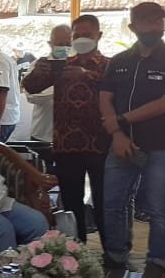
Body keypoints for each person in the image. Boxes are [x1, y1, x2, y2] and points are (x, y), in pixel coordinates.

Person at [99, 2, 165, 278]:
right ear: (133, 27)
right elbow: (105, 97)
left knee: (158, 207)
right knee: (113, 203)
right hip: (122, 144)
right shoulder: (119, 61)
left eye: (158, 21)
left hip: (162, 146)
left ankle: (156, 263)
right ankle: (116, 257)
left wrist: (120, 120)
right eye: (146, 21)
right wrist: (117, 133)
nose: (153, 27)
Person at [22, 14, 110, 242]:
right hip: (66, 145)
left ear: (99, 36)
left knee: (105, 200)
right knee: (70, 202)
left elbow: (117, 90)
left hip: (101, 144)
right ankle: (75, 250)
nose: (81, 39)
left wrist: (87, 75)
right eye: (77, 35)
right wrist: (39, 71)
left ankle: (112, 252)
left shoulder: (109, 65)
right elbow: (31, 86)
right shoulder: (61, 65)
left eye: (86, 34)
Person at [24, 25, 72, 143]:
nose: (64, 47)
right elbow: (31, 96)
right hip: (42, 133)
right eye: (60, 44)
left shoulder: (77, 66)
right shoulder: (39, 65)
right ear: (50, 44)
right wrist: (63, 89)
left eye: (68, 44)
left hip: (71, 135)